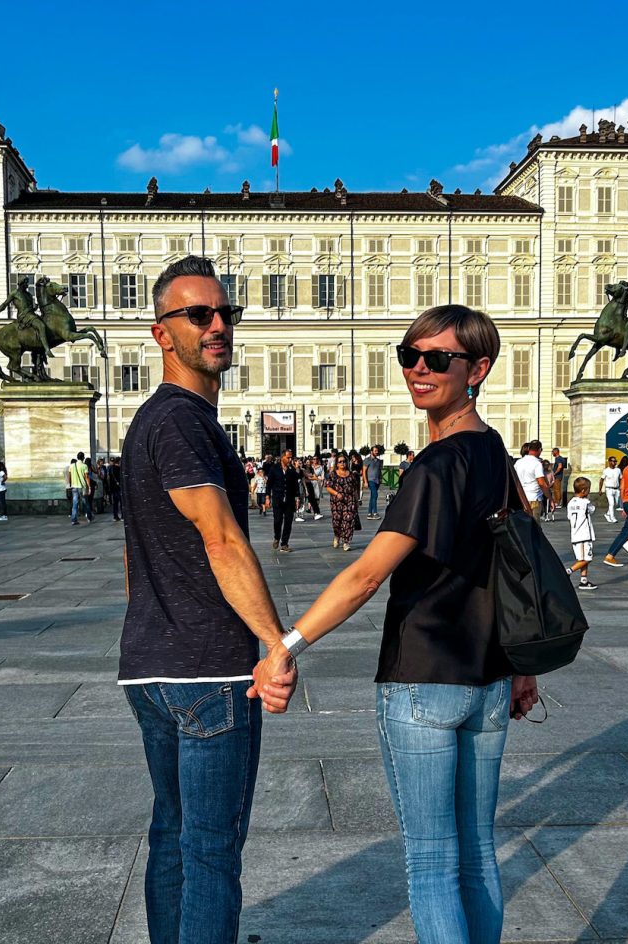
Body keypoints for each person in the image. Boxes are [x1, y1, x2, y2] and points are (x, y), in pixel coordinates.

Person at [251, 304, 539, 944]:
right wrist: (521, 669)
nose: (418, 370)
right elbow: (515, 567)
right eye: (408, 356)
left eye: (437, 360)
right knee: (477, 853)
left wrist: (284, 645)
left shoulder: (436, 466)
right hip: (487, 681)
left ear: (478, 368)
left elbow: (364, 576)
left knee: (433, 863)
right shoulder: (493, 451)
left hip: (422, 679)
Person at [118, 255, 293, 944]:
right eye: (199, 315)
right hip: (208, 672)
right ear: (162, 333)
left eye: (226, 313)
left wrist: (142, 634)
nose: (218, 325)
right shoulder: (184, 421)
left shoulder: (149, 423)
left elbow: (136, 556)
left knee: (173, 836)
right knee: (211, 852)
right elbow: (221, 539)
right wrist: (278, 645)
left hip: (150, 669)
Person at [565, 477, 597, 590]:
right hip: (584, 534)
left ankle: (584, 580)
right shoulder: (585, 502)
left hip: (575, 534)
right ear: (583, 491)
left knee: (582, 559)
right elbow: (593, 510)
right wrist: (588, 500)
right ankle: (568, 571)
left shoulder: (570, 503)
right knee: (587, 559)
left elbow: (569, 516)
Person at [266, 448, 299, 552]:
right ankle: (277, 536)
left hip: (289, 500)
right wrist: (267, 497)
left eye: (291, 457)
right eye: (288, 457)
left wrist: (297, 497)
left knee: (288, 522)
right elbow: (269, 484)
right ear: (282, 457)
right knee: (277, 520)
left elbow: (295, 485)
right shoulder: (274, 468)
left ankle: (284, 543)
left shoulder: (292, 470)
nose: (290, 460)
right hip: (277, 499)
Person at [324, 453, 359, 550]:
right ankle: (337, 536)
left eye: (344, 461)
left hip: (350, 501)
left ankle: (346, 542)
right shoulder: (333, 474)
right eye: (340, 462)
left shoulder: (351, 474)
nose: (342, 463)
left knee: (348, 521)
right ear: (337, 464)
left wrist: (356, 501)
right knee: (337, 521)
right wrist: (336, 493)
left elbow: (354, 489)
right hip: (337, 502)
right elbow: (328, 487)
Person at [513, 440, 552, 524]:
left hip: (521, 498)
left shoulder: (518, 463)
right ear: (539, 450)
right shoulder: (537, 463)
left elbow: (514, 480)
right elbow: (541, 483)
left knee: (522, 527)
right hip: (534, 498)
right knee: (534, 527)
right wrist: (550, 499)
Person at [68, 451, 92, 525]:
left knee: (75, 504)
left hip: (74, 487)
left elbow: (70, 476)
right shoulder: (84, 466)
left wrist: (70, 484)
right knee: (85, 503)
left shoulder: (71, 466)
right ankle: (89, 517)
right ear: (83, 458)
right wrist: (89, 487)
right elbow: (86, 477)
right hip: (82, 487)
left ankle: (73, 520)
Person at [363, 445, 383, 519]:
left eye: (377, 451)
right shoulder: (367, 460)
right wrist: (365, 481)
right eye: (375, 451)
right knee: (375, 495)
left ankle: (369, 513)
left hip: (377, 481)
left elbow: (379, 470)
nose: (377, 452)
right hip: (370, 480)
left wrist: (381, 479)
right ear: (371, 452)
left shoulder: (378, 461)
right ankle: (375, 513)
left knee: (373, 497)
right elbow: (364, 471)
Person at [599, 457, 621, 522]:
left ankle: (608, 514)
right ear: (609, 462)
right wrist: (600, 489)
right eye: (612, 461)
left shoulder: (618, 470)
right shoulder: (606, 470)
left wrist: (622, 487)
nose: (613, 463)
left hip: (617, 489)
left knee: (616, 503)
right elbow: (601, 480)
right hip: (609, 489)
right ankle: (612, 518)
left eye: (615, 461)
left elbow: (621, 479)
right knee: (611, 503)